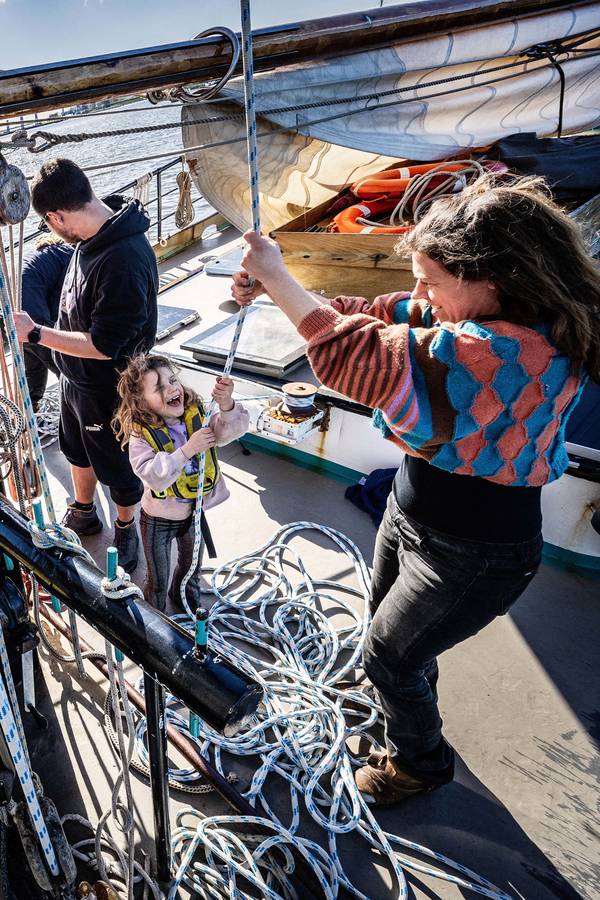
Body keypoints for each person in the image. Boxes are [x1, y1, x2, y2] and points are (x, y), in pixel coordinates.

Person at [231, 173, 600, 806]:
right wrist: (277, 290)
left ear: (493, 277)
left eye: (432, 280)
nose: (420, 294)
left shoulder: (511, 353)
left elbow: (360, 359)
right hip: (412, 510)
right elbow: (379, 317)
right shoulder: (491, 307)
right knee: (388, 640)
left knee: (390, 658)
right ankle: (397, 710)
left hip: (475, 551)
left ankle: (420, 764)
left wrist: (278, 280)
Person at [14, 159, 158, 573]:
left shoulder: (124, 259)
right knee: (75, 447)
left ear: (57, 215)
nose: (51, 230)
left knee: (117, 465)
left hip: (108, 385)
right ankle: (82, 510)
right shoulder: (90, 238)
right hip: (77, 382)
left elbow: (103, 346)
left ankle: (127, 528)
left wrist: (36, 334)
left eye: (49, 223)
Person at [114, 354, 249, 612]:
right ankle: (156, 619)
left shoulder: (196, 415)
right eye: (159, 387)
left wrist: (227, 404)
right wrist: (187, 450)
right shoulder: (140, 435)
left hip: (194, 514)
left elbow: (228, 432)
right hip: (158, 520)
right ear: (142, 402)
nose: (171, 388)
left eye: (172, 380)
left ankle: (185, 600)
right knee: (157, 579)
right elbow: (152, 474)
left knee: (191, 569)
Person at [21, 234, 73, 410]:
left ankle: (29, 409)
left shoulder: (42, 254)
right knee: (66, 366)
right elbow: (64, 300)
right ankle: (77, 408)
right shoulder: (69, 254)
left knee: (32, 362)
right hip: (31, 313)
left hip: (15, 314)